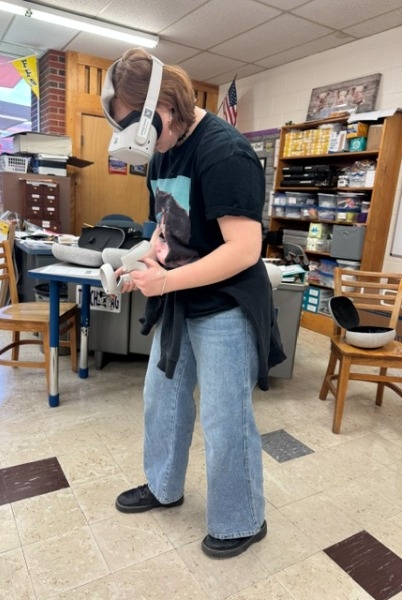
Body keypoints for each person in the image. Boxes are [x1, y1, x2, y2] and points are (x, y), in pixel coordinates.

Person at [102, 48, 286, 559]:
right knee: (162, 400)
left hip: (226, 304)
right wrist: (143, 261)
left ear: (165, 106)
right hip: (180, 296)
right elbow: (166, 225)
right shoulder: (163, 149)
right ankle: (163, 486)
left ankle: (241, 518)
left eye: (140, 126)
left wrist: (167, 281)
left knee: (226, 417)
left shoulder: (224, 153)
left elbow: (244, 250)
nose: (142, 143)